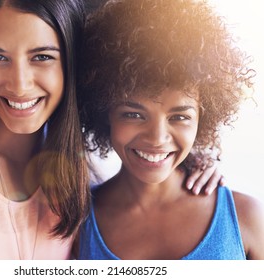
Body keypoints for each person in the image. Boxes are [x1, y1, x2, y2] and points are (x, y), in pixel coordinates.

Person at [0, 0, 222, 260]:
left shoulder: (73, 175)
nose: (19, 84)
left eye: (42, 57)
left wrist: (190, 162)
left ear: (72, 65)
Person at [77, 0, 264, 260]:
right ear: (102, 111)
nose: (157, 138)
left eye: (179, 117)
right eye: (133, 114)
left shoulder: (247, 219)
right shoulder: (76, 225)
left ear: (204, 117)